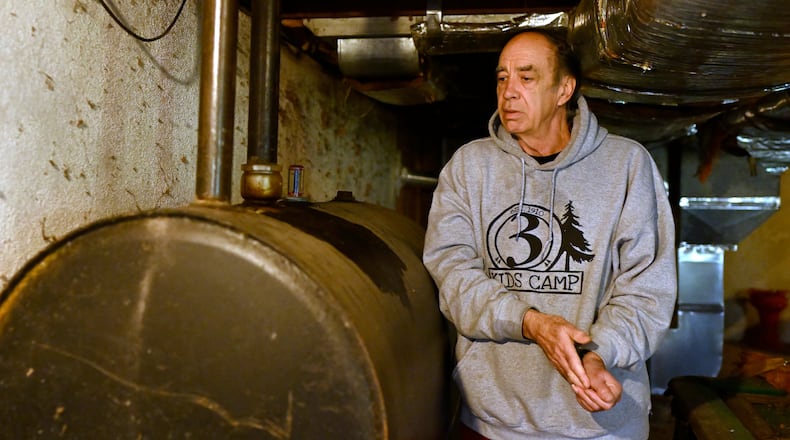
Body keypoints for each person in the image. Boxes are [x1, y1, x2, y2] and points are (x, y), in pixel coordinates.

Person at [422, 29, 677, 439]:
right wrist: (531, 323)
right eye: (502, 78)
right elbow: (453, 276)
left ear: (564, 90)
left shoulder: (627, 166)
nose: (509, 92)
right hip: (495, 422)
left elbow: (646, 292)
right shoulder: (470, 168)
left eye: (527, 77)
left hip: (601, 424)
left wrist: (598, 355)